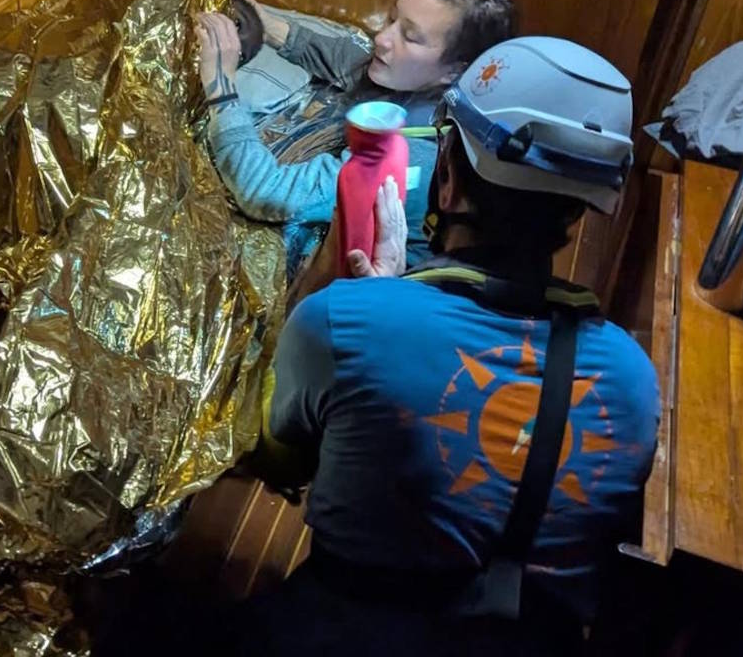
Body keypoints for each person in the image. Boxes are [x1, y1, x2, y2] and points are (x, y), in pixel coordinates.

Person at [239, 37, 661, 655]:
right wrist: (393, 301)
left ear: (446, 180)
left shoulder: (341, 320)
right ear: (577, 214)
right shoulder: (632, 377)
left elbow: (281, 463)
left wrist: (374, 302)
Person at [194, 0, 516, 270]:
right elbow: (351, 61)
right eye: (392, 19)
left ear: (455, 70)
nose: (381, 38)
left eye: (410, 36)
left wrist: (221, 87)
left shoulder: (405, 155)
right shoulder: (430, 84)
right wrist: (267, 27)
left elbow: (264, 192)